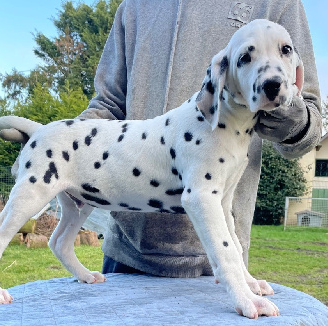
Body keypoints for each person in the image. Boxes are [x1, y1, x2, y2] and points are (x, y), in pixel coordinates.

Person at [78, 0, 322, 278]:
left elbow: (310, 119)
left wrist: (280, 102)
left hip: (219, 254)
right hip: (127, 250)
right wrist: (59, 143)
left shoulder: (277, 3)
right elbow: (108, 105)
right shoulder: (134, 7)